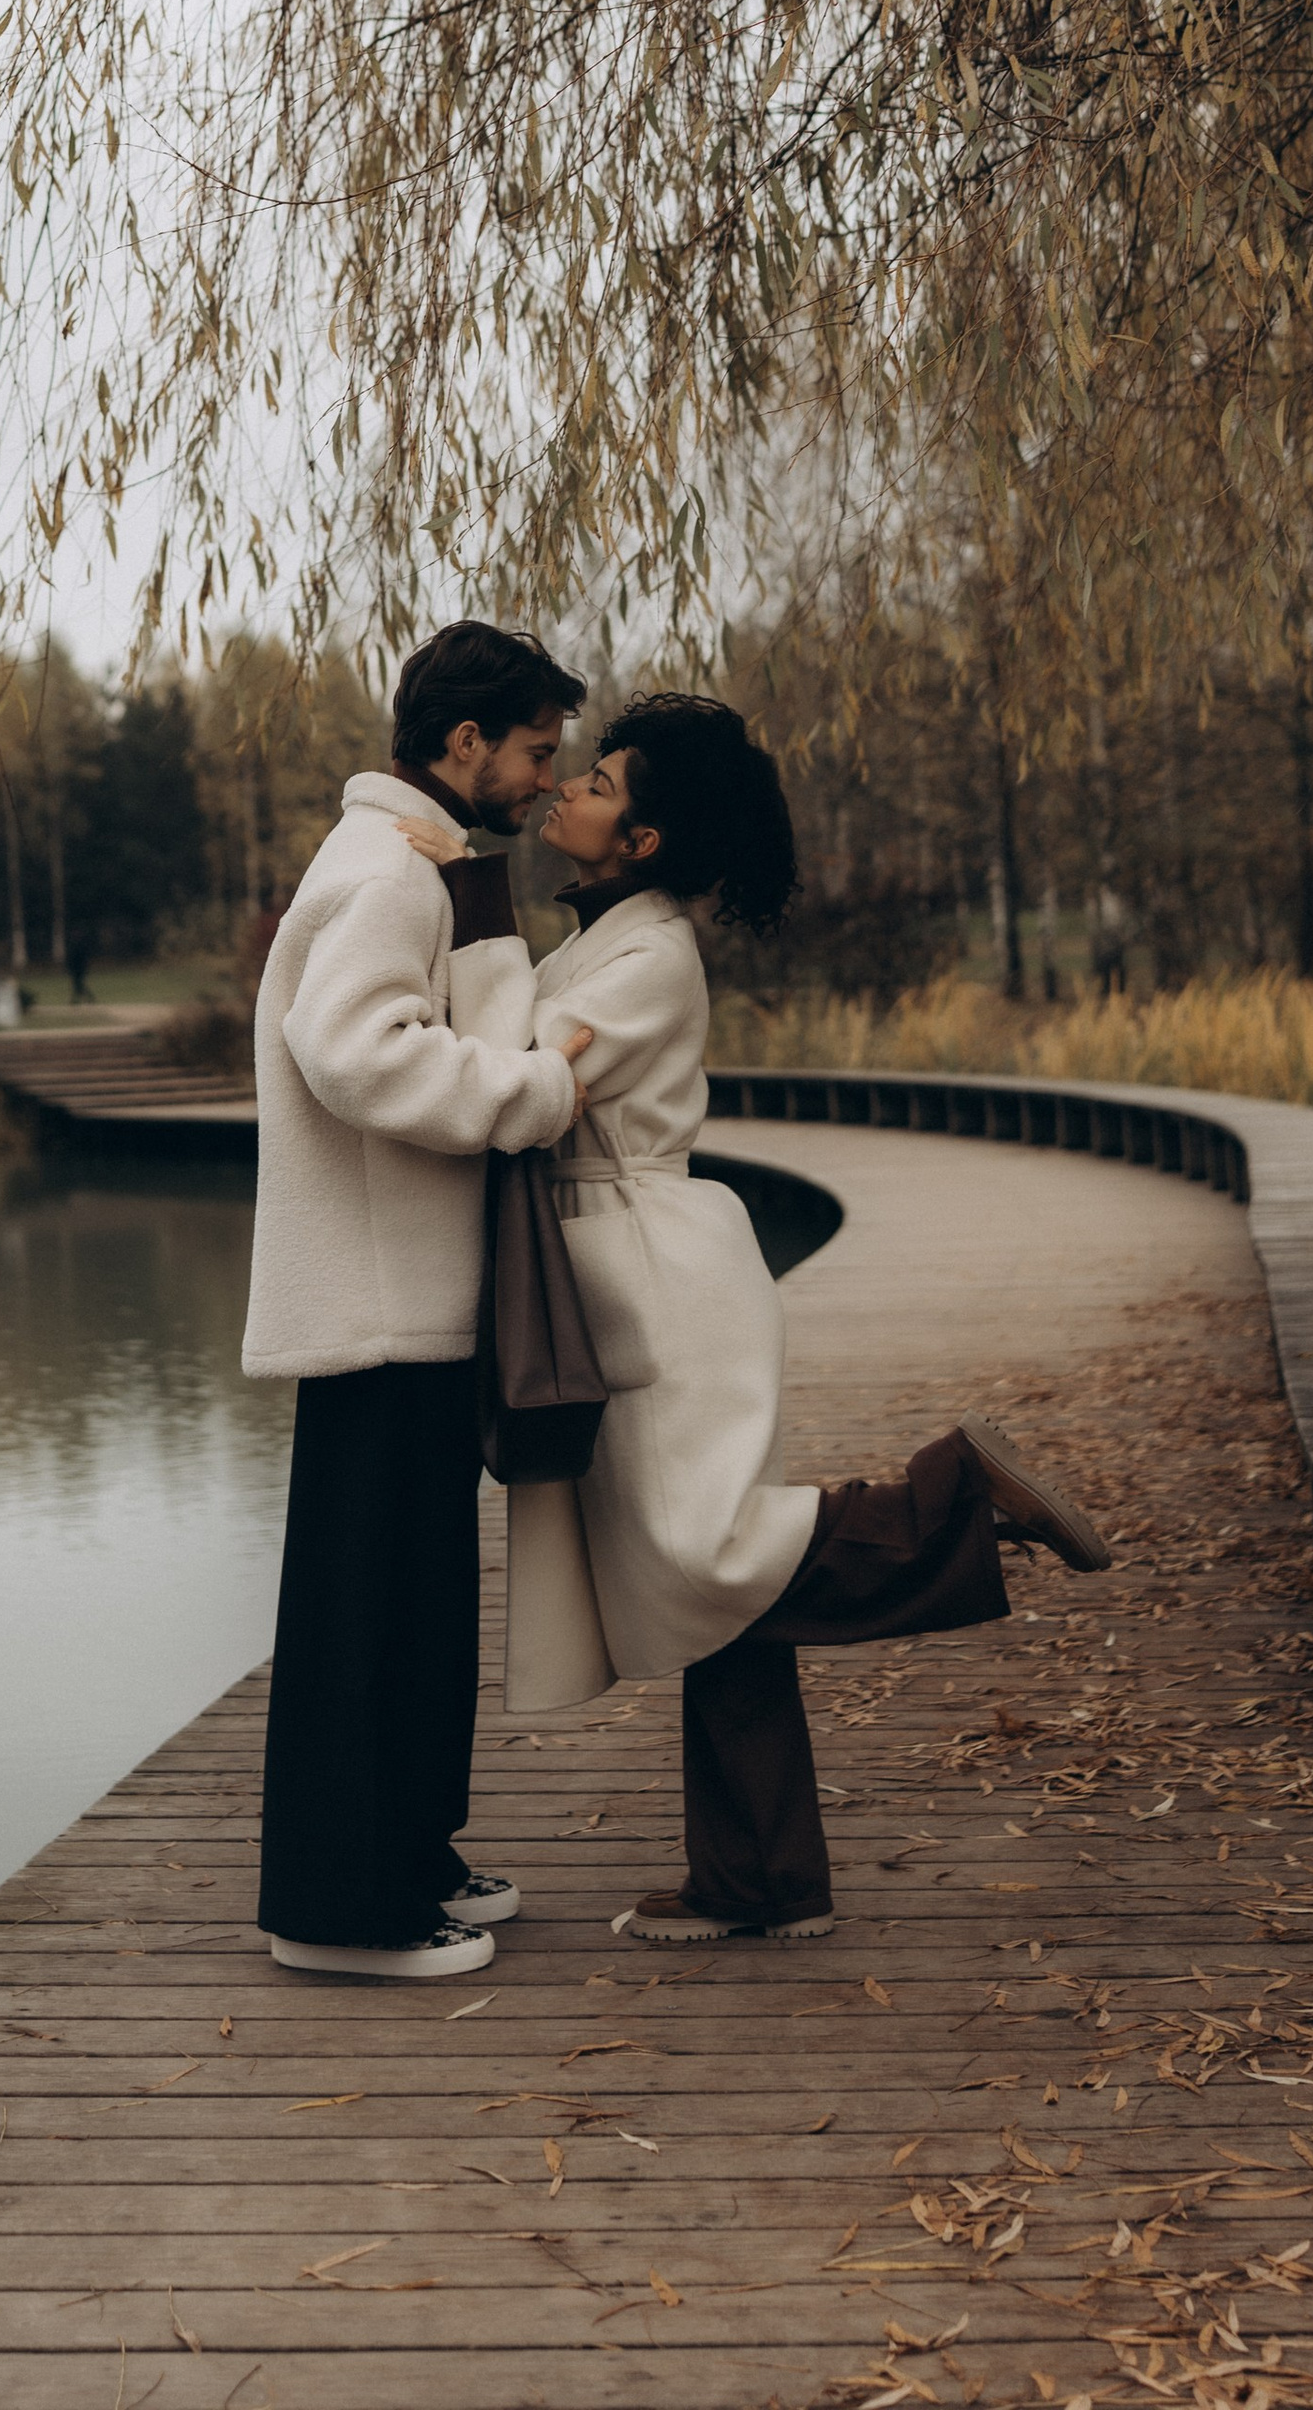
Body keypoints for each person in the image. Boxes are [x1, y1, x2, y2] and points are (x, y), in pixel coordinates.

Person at [399, 693, 1111, 1942]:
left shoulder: (648, 958)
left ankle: (950, 1497)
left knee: (707, 1560)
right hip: (613, 1262)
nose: (566, 789)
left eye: (602, 783)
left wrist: (465, 895)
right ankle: (760, 1877)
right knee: (717, 1590)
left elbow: (519, 1070)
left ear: (645, 843)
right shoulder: (609, 936)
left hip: (651, 1273)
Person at [245, 618, 598, 1982]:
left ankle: (404, 1856)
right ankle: (340, 1912)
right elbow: (356, 1052)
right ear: (461, 744)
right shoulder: (389, 876)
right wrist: (538, 1093)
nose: (545, 779)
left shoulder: (417, 862)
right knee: (365, 1616)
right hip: (381, 1309)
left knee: (410, 1605)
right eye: (531, 751)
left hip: (406, 1302)